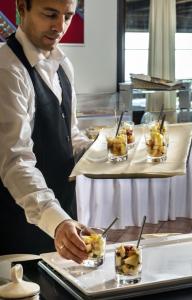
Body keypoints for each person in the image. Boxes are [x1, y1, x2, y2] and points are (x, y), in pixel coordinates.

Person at [0, 0, 91, 264]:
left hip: (62, 218)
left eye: (68, 16)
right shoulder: (7, 70)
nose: (60, 26)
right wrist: (57, 221)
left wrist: (103, 150)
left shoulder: (64, 66)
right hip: (18, 226)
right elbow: (16, 163)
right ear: (22, 7)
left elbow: (70, 137)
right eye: (50, 14)